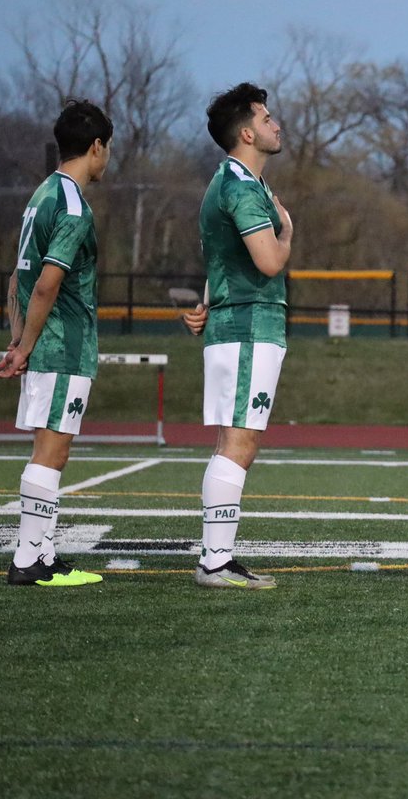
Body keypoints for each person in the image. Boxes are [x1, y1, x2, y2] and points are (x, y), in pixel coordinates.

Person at [0, 100, 113, 587]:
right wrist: (25, 346)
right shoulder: (73, 205)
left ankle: (39, 553)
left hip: (45, 341)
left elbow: (16, 276)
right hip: (63, 345)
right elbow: (45, 282)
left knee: (48, 449)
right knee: (52, 452)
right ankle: (30, 560)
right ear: (96, 147)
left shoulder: (41, 194)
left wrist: (19, 337)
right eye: (108, 150)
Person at [180, 83, 291, 590]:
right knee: (240, 442)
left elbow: (224, 256)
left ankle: (217, 557)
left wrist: (207, 302)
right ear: (246, 132)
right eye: (266, 118)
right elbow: (268, 260)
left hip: (237, 323)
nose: (275, 124)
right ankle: (215, 561)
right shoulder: (242, 185)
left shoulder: (236, 181)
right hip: (248, 326)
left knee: (233, 439)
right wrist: (288, 230)